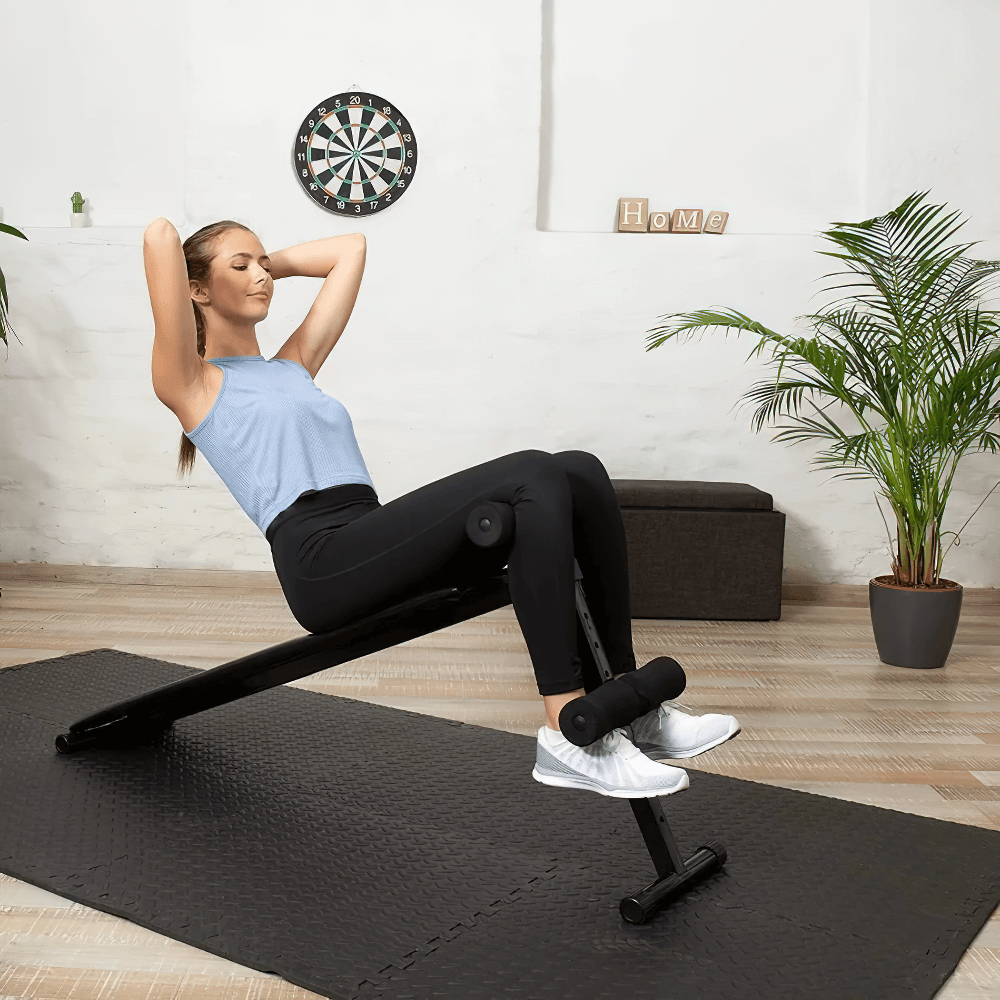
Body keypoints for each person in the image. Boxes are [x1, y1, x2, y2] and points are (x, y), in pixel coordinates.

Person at [142, 217, 740, 800]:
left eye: (264, 263)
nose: (262, 275)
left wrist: (268, 263)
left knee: (578, 469)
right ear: (195, 288)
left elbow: (351, 248)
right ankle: (568, 736)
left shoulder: (291, 367)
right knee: (533, 470)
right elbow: (160, 238)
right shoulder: (192, 384)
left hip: (369, 532)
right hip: (321, 562)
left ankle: (631, 710)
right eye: (241, 266)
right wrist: (212, 270)